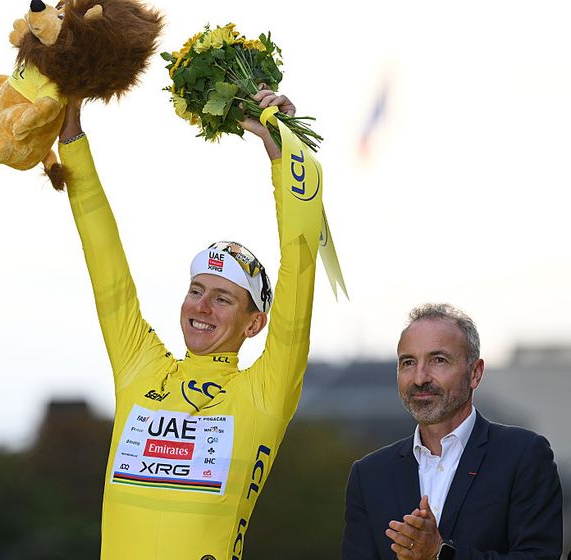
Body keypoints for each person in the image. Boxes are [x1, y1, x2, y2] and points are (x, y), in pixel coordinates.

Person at [57, 88, 324, 560]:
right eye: (196, 291)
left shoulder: (264, 391)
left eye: (223, 299)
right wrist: (72, 136)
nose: (201, 308)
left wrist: (282, 155)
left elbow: (299, 270)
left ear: (255, 323)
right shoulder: (143, 369)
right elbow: (107, 267)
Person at [341, 303, 563, 559]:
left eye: (438, 360)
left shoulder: (523, 455)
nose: (420, 378)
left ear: (475, 374)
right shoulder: (369, 474)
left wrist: (440, 554)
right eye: (408, 362)